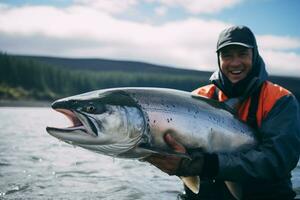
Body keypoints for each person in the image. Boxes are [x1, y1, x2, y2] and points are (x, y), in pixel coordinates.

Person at [146, 25, 300, 199]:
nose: (235, 63)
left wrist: (208, 165)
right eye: (227, 55)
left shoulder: (281, 99)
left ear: (254, 55)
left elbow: (277, 160)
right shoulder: (198, 98)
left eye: (242, 54)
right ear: (218, 59)